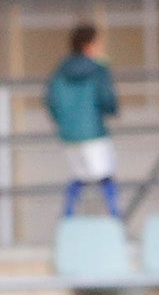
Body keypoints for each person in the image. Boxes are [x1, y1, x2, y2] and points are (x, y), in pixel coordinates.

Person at [46, 23, 121, 219]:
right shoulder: (97, 69)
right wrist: (113, 110)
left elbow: (51, 100)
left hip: (69, 133)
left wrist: (62, 120)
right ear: (88, 45)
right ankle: (116, 220)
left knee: (80, 176)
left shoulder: (61, 69)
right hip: (93, 130)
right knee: (105, 176)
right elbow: (107, 98)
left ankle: (67, 218)